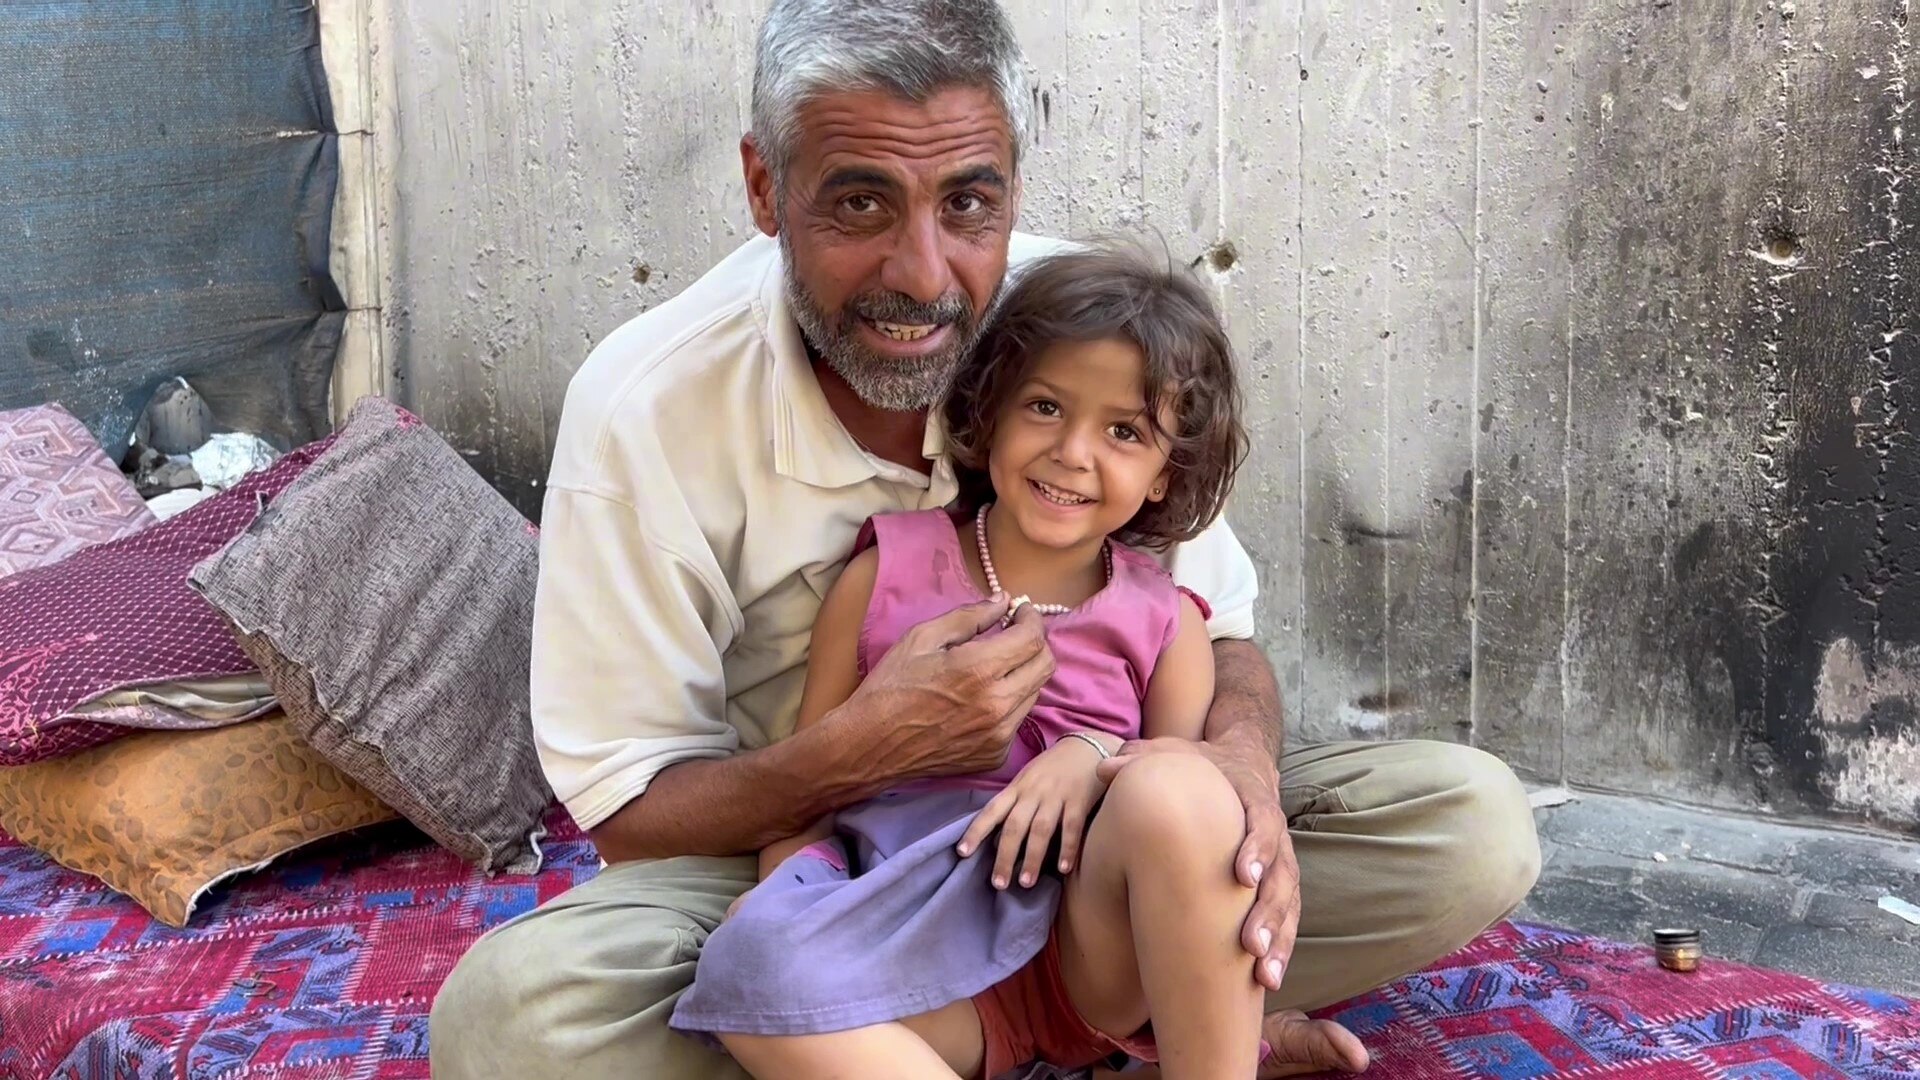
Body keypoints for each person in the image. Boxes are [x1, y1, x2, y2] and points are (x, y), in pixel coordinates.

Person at [428, 2, 1541, 1077]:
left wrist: (1239, 774)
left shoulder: (1083, 329)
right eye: (860, 202)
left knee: (1465, 827)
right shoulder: (646, 406)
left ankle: (1139, 1015)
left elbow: (1221, 643)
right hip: (850, 858)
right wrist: (861, 753)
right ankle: (1125, 1036)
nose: (923, 275)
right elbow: (631, 816)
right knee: (517, 1022)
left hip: (1111, 870)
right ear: (765, 187)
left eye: (968, 203)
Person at [671, 246, 1337, 1079]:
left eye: (1124, 432)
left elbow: (1197, 809)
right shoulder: (883, 574)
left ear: (1166, 476)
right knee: (747, 962)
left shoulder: (1167, 621)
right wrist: (783, 911)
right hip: (910, 956)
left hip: (1084, 965)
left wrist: (1090, 754)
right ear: (989, 417)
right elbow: (810, 790)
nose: (1074, 452)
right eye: (1046, 407)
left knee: (1180, 788)